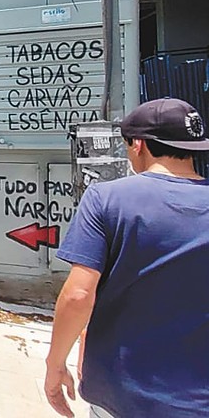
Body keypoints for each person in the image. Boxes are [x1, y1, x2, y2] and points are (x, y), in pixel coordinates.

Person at [44, 98, 209, 418]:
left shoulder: (106, 199)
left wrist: (55, 364)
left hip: (119, 392)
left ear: (138, 145)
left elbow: (78, 296)